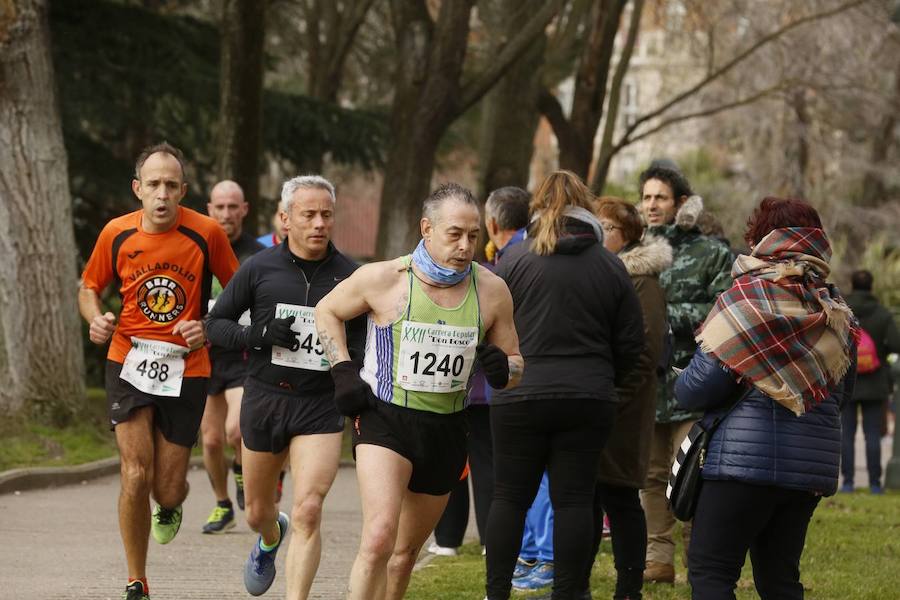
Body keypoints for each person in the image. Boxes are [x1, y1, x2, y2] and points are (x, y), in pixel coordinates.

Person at [314, 182, 524, 600]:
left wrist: (504, 370)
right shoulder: (384, 278)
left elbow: (515, 361)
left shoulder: (492, 290)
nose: (465, 245)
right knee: (378, 539)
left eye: (474, 235)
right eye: (454, 234)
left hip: (446, 427)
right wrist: (342, 369)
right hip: (385, 418)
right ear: (426, 229)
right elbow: (328, 310)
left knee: (404, 553)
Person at [675, 197, 857, 600]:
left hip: (739, 467)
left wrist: (679, 381)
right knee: (780, 582)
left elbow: (699, 388)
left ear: (760, 239)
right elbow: (842, 391)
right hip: (810, 469)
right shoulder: (836, 310)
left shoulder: (744, 301)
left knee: (711, 572)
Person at [79, 142, 239, 600]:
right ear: (138, 189)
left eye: (171, 185)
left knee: (166, 490)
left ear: (184, 191)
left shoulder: (206, 233)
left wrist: (207, 327)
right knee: (134, 473)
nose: (162, 194)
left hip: (187, 368)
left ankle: (170, 505)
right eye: (153, 185)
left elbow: (241, 292)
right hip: (128, 359)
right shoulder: (116, 233)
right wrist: (96, 318)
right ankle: (136, 580)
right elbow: (89, 286)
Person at [484, 171, 645, 600]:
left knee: (509, 497)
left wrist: (501, 372)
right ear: (586, 207)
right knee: (574, 499)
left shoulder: (514, 260)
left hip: (519, 393)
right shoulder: (609, 264)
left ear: (538, 206)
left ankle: (497, 592)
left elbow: (487, 326)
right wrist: (608, 380)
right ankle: (569, 593)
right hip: (587, 396)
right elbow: (633, 341)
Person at [206, 175, 365, 598]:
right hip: (265, 398)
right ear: (285, 218)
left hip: (319, 405)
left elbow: (368, 341)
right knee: (258, 511)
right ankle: (270, 537)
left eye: (326, 215)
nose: (318, 224)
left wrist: (352, 373)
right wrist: (260, 334)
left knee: (309, 509)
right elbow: (215, 326)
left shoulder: (351, 276)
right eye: (308, 214)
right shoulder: (258, 269)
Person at [638, 165, 732, 584]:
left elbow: (725, 310)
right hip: (646, 385)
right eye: (646, 197)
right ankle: (657, 558)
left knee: (693, 471)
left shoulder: (710, 252)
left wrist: (664, 318)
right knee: (651, 476)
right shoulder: (634, 250)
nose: (652, 204)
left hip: (693, 381)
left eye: (660, 197)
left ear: (679, 203)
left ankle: (700, 559)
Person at [428, 186, 529, 558]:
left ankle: (457, 539)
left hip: (477, 388)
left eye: (471, 235)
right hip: (460, 387)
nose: (464, 244)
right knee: (467, 463)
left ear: (489, 225)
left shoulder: (488, 278)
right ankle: (456, 538)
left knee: (473, 463)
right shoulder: (490, 272)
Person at [584, 198, 671, 599]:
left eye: (608, 228)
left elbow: (646, 352)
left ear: (628, 236)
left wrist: (613, 400)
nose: (599, 234)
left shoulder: (641, 280)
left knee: (620, 498)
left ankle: (629, 587)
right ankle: (576, 582)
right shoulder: (596, 273)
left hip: (624, 406)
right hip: (595, 403)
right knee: (586, 499)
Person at [200, 180, 265, 533]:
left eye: (232, 207)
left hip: (242, 354)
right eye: (219, 207)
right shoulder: (197, 248)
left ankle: (242, 472)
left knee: (236, 431)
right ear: (209, 209)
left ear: (244, 210)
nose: (226, 214)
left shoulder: (257, 254)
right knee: (210, 440)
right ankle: (222, 504)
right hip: (206, 356)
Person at [841, 269, 900, 494]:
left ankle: (848, 483)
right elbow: (896, 344)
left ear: (852, 285)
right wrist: (879, 351)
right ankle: (875, 484)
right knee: (872, 434)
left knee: (847, 434)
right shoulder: (883, 314)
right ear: (872, 286)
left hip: (847, 379)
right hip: (876, 382)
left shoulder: (843, 311)